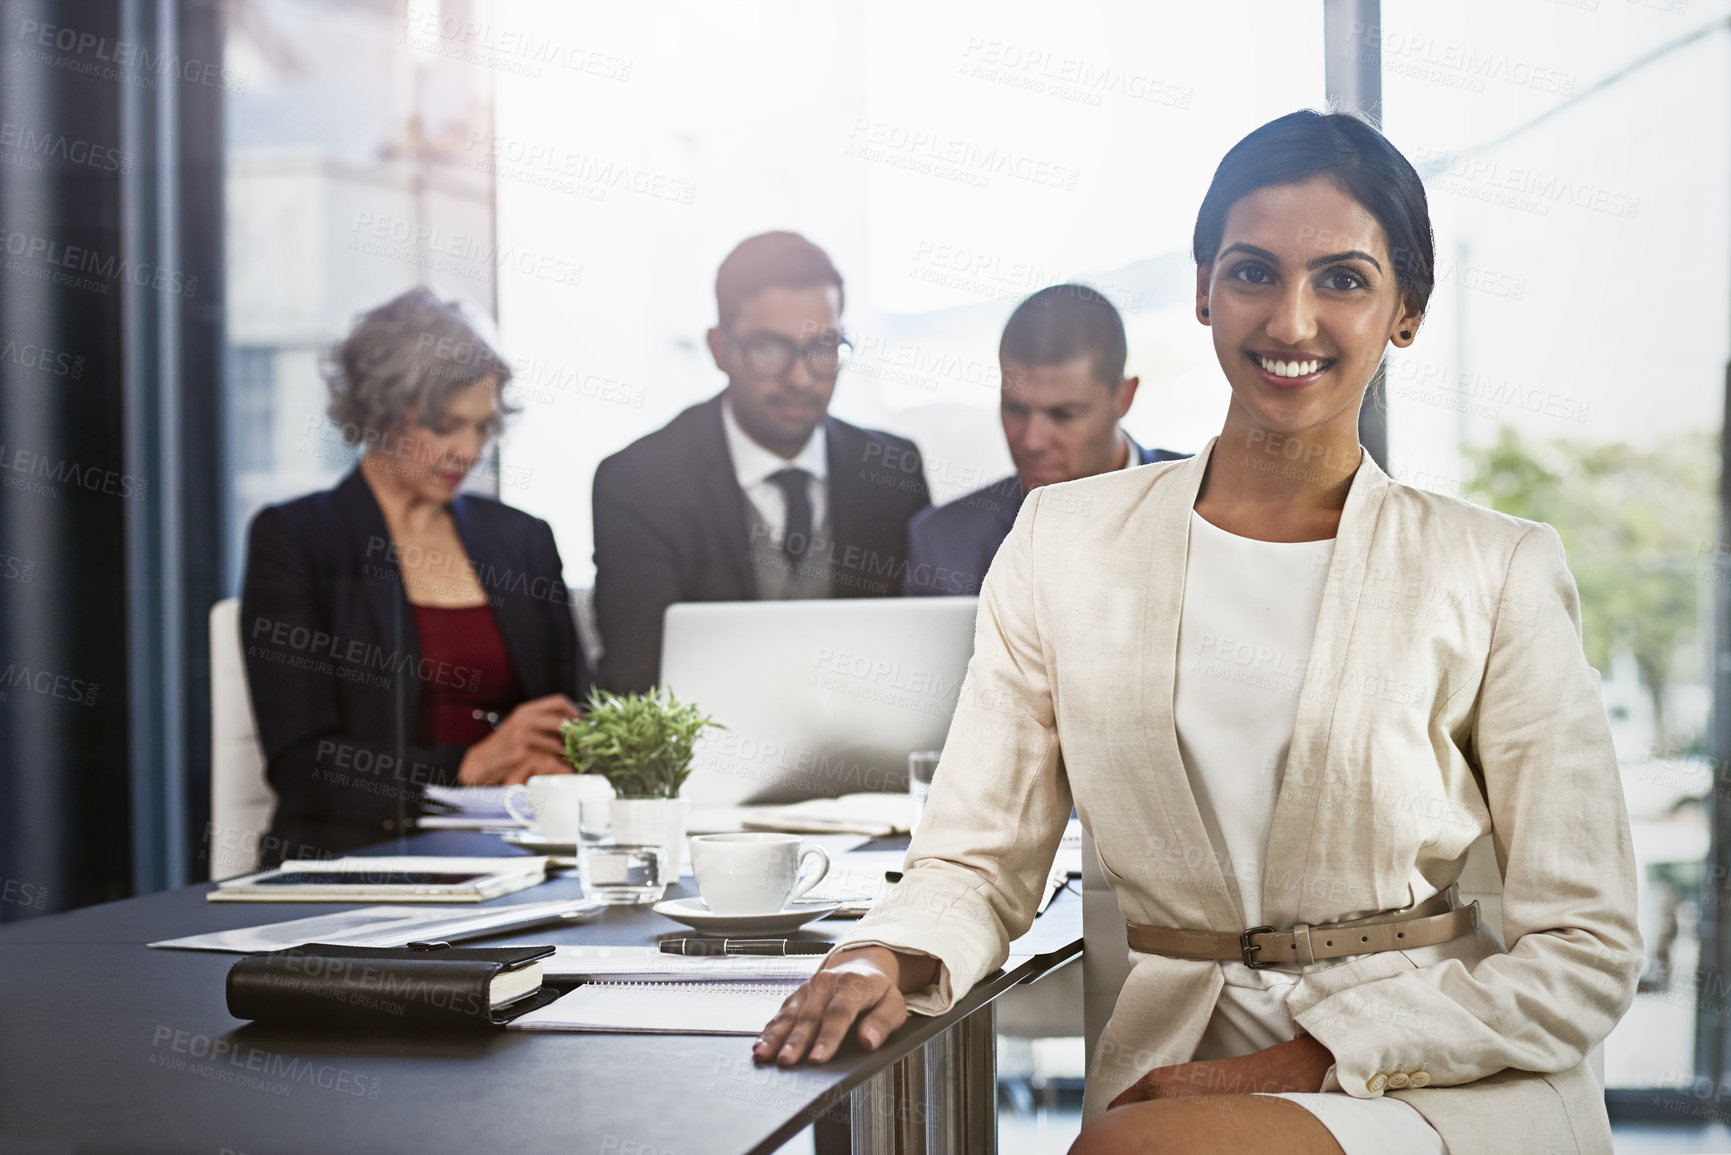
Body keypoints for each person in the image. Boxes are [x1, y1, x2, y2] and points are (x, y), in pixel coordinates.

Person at [754, 111, 1641, 1155]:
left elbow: (1586, 946)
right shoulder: (1064, 541)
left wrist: (1296, 1064)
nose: (1293, 320)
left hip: (1435, 1064)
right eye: (1255, 272)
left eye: (1345, 281)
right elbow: (979, 861)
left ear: (1407, 310)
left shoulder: (1494, 568)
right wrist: (880, 958)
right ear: (1203, 289)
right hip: (1172, 1059)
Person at [241, 288, 588, 864]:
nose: (467, 451)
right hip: (351, 861)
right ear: (380, 411)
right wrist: (464, 770)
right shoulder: (297, 538)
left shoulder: (522, 540)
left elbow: (572, 708)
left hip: (516, 857)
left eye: (482, 428)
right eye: (447, 426)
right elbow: (303, 765)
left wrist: (556, 757)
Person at [592, 231, 930, 693]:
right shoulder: (639, 483)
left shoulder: (893, 469)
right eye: (770, 349)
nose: (801, 377)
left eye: (823, 348)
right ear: (718, 348)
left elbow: (915, 655)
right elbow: (638, 679)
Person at [904, 283, 1186, 596]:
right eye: (1015, 409)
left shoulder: (1210, 501)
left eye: (1063, 414)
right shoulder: (944, 546)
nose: (1032, 441)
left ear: (1124, 398)